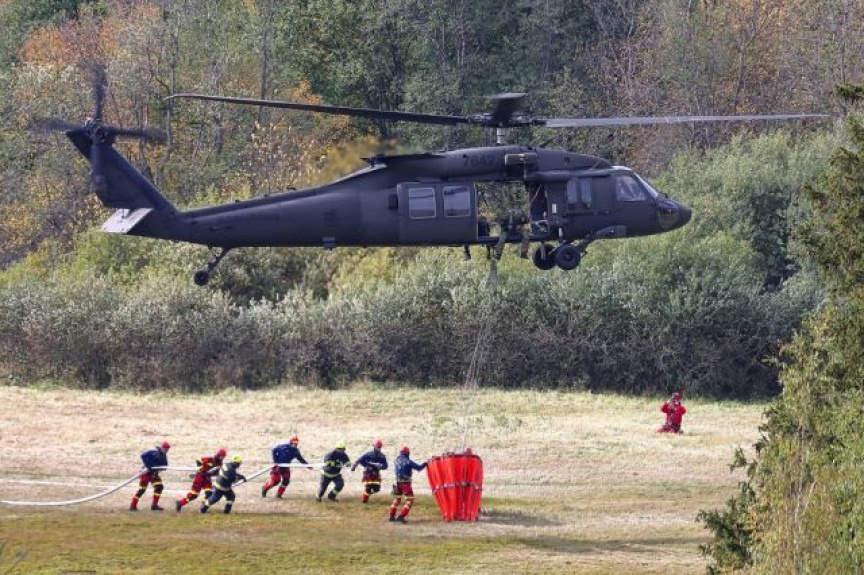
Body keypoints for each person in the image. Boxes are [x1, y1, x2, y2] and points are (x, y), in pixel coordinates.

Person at [175, 447, 227, 512]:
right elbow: (198, 461)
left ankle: (203, 508)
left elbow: (218, 473)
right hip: (200, 477)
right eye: (222, 456)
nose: (223, 458)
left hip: (207, 479)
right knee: (194, 495)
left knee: (209, 493)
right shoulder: (210, 459)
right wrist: (200, 468)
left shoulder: (220, 465)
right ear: (219, 455)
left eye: (224, 457)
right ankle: (180, 503)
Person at [389, 446, 427, 523]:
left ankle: (391, 516)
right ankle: (401, 516)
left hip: (397, 482)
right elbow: (419, 468)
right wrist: (425, 463)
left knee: (397, 499)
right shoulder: (408, 461)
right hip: (405, 483)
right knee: (410, 500)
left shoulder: (396, 460)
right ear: (407, 453)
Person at [130, 441, 170, 511]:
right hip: (146, 473)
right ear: (162, 448)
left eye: (167, 449)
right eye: (165, 449)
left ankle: (154, 505)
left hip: (153, 474)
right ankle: (133, 505)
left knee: (159, 487)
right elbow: (142, 455)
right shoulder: (153, 452)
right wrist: (148, 466)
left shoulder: (164, 456)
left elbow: (165, 466)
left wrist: (160, 468)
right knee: (142, 489)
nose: (166, 451)